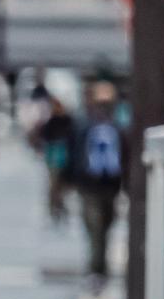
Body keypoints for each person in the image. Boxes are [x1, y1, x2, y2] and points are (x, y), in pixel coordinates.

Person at [74, 77, 130, 286]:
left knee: (106, 225)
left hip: (111, 184)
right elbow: (75, 151)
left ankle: (100, 267)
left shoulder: (118, 126)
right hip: (89, 184)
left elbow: (125, 154)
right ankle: (96, 268)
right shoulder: (84, 124)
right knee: (95, 226)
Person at [33, 89, 78, 224]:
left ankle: (60, 208)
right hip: (53, 158)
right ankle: (54, 210)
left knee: (62, 188)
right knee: (54, 186)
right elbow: (43, 137)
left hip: (65, 158)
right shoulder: (51, 121)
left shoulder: (68, 121)